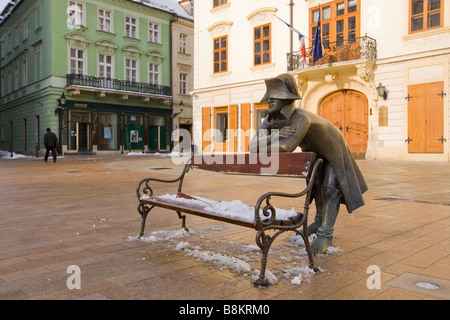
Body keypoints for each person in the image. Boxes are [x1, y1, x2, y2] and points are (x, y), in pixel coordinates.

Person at [249, 73, 368, 254]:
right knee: (316, 184)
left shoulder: (300, 118)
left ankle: (325, 235)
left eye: (275, 97)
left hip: (332, 145)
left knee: (329, 187)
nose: (270, 100)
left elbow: (287, 146)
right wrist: (276, 135)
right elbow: (252, 146)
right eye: (269, 97)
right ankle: (319, 222)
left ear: (287, 99)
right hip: (313, 150)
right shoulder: (271, 120)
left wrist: (272, 140)